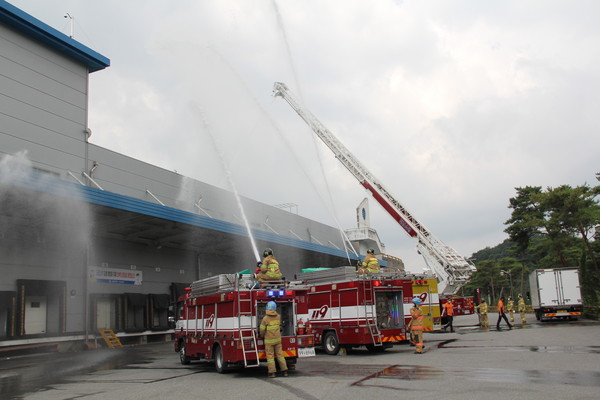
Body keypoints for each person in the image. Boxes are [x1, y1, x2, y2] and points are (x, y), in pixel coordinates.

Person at [259, 301, 288, 378]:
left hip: (269, 341)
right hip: (278, 340)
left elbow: (262, 330)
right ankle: (284, 371)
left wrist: (261, 335)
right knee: (280, 355)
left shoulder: (265, 319)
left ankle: (272, 373)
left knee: (270, 357)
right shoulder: (278, 316)